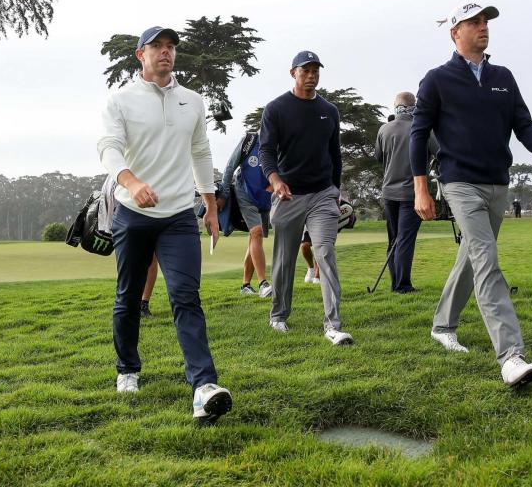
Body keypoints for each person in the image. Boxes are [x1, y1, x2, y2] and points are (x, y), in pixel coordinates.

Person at [410, 3, 532, 387]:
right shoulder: (437, 79)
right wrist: (421, 188)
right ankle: (511, 356)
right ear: (455, 33)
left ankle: (442, 325)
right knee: (486, 257)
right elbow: (418, 134)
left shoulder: (503, 77)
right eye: (474, 22)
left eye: (486, 22)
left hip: (498, 182)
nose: (483, 27)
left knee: (472, 255)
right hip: (458, 181)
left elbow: (523, 124)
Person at [97, 25, 232, 423]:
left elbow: (200, 151)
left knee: (186, 298)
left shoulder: (193, 100)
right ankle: (127, 369)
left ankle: (204, 386)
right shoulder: (120, 100)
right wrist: (131, 181)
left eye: (170, 46)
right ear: (140, 54)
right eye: (157, 46)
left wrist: (210, 204)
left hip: (178, 217)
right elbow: (108, 147)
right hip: (133, 214)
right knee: (128, 297)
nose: (165, 52)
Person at [259, 50, 353, 346]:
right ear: (293, 74)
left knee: (324, 253)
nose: (311, 75)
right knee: (284, 260)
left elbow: (334, 155)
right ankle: (279, 315)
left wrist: (336, 191)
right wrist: (275, 181)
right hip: (288, 194)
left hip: (323, 194)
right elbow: (266, 152)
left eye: (315, 71)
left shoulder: (329, 110)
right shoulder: (276, 109)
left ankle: (333, 326)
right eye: (305, 71)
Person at [375, 91, 438, 294]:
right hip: (412, 194)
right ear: (415, 106)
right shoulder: (422, 129)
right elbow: (440, 153)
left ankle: (396, 283)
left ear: (396, 107)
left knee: (394, 238)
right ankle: (403, 285)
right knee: (405, 239)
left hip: (388, 192)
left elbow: (379, 157)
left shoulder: (384, 129)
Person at [215, 130, 273, 298]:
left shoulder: (280, 143)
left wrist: (275, 185)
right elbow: (229, 167)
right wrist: (224, 195)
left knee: (253, 239)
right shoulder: (249, 140)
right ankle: (263, 284)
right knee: (257, 232)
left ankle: (245, 285)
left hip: (264, 197)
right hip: (244, 193)